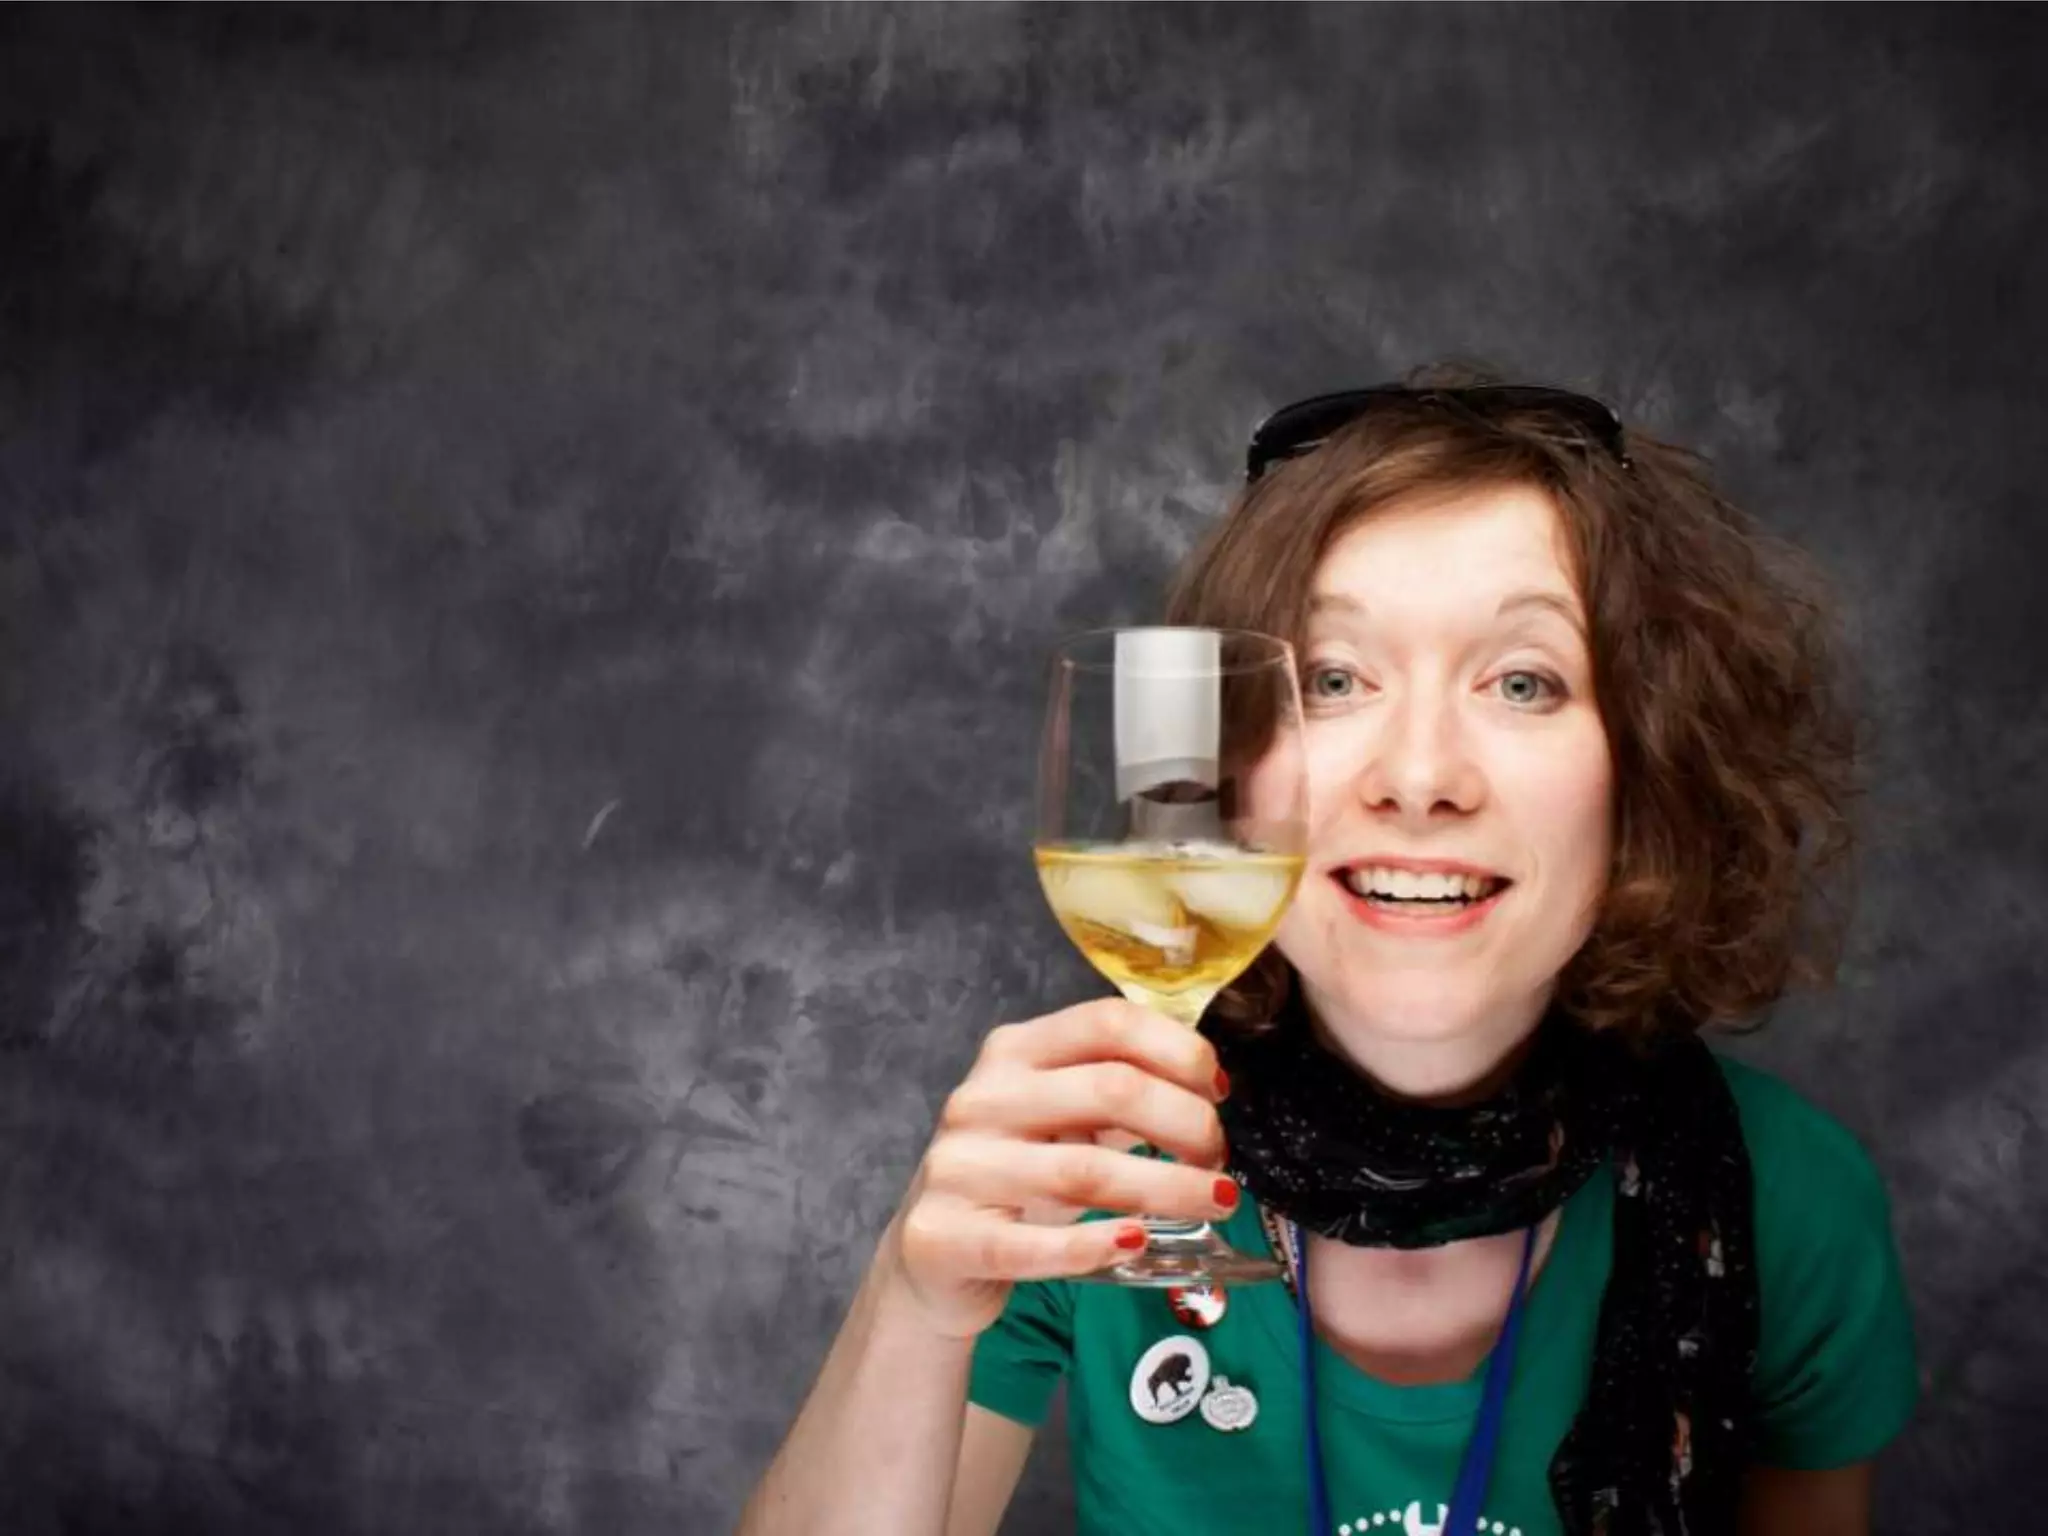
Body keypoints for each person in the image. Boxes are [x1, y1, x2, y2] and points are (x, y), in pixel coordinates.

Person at [738, 367, 1918, 1536]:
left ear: (1644, 769)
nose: (1418, 778)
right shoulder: (1087, 1168)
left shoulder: (1787, 1200)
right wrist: (910, 1302)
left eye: (1522, 681)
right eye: (1333, 678)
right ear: (1220, 766)